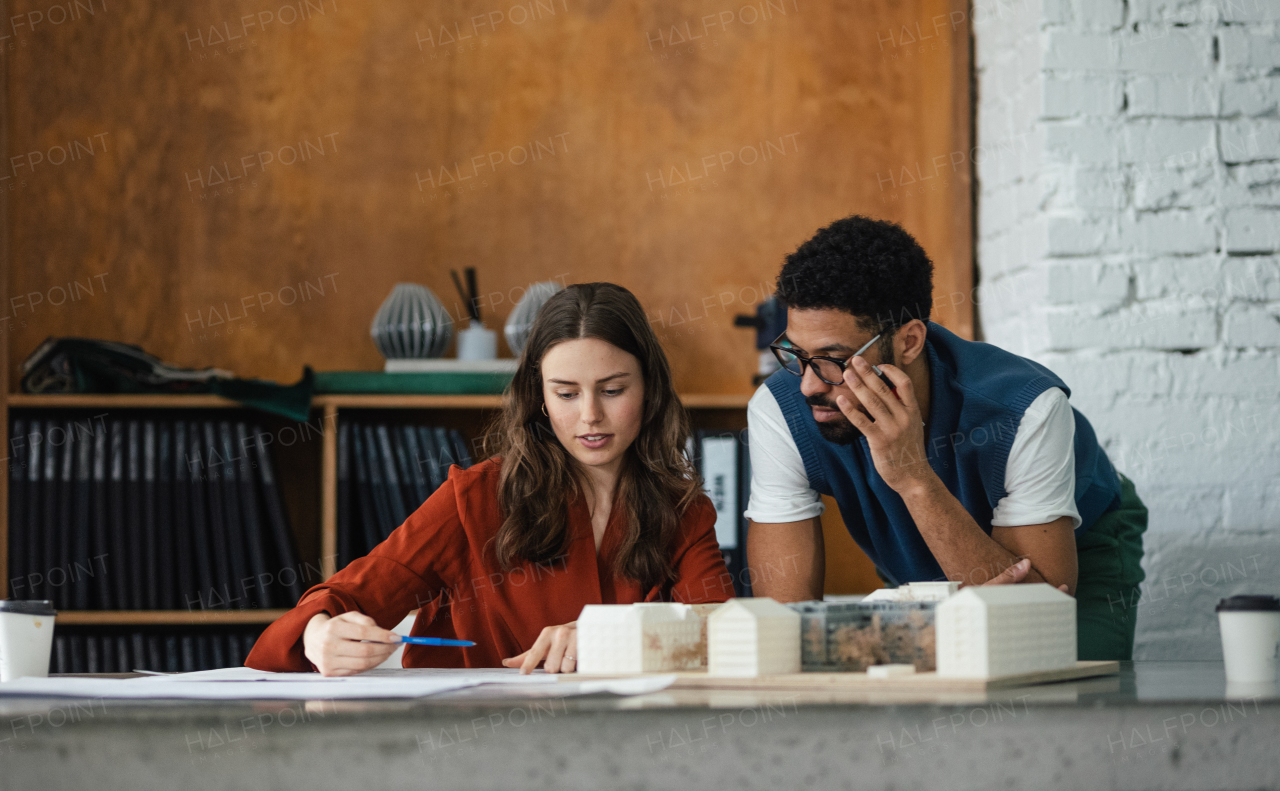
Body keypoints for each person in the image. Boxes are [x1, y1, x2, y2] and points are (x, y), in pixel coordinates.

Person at [246, 282, 734, 676]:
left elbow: (724, 635)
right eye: (566, 394)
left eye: (612, 390)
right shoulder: (476, 498)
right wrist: (318, 636)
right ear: (540, 398)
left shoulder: (684, 510)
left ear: (648, 390)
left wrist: (617, 636)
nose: (590, 416)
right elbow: (344, 597)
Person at [746, 215, 1147, 660]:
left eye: (834, 360)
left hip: (1079, 548)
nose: (808, 384)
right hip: (922, 555)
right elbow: (783, 626)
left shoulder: (1026, 408)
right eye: (796, 354)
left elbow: (1036, 615)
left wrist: (913, 478)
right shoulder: (780, 409)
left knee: (1048, 688)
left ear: (910, 342)